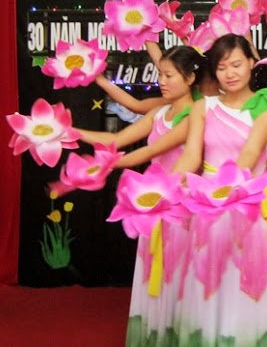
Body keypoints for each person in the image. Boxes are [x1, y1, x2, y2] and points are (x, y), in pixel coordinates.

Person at [78, 45, 205, 346]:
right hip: (152, 202)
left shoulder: (195, 115)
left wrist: (104, 164)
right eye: (161, 74)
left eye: (169, 75)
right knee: (156, 270)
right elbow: (116, 139)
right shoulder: (160, 113)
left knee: (179, 273)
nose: (162, 81)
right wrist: (71, 133)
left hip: (180, 201)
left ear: (190, 78)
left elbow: (149, 151)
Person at [173, 34, 267, 345]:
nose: (230, 74)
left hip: (249, 201)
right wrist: (169, 187)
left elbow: (251, 152)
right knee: (210, 277)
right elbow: (191, 156)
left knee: (248, 278)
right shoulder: (203, 107)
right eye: (221, 68)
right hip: (208, 205)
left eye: (236, 65)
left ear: (251, 62)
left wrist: (225, 192)